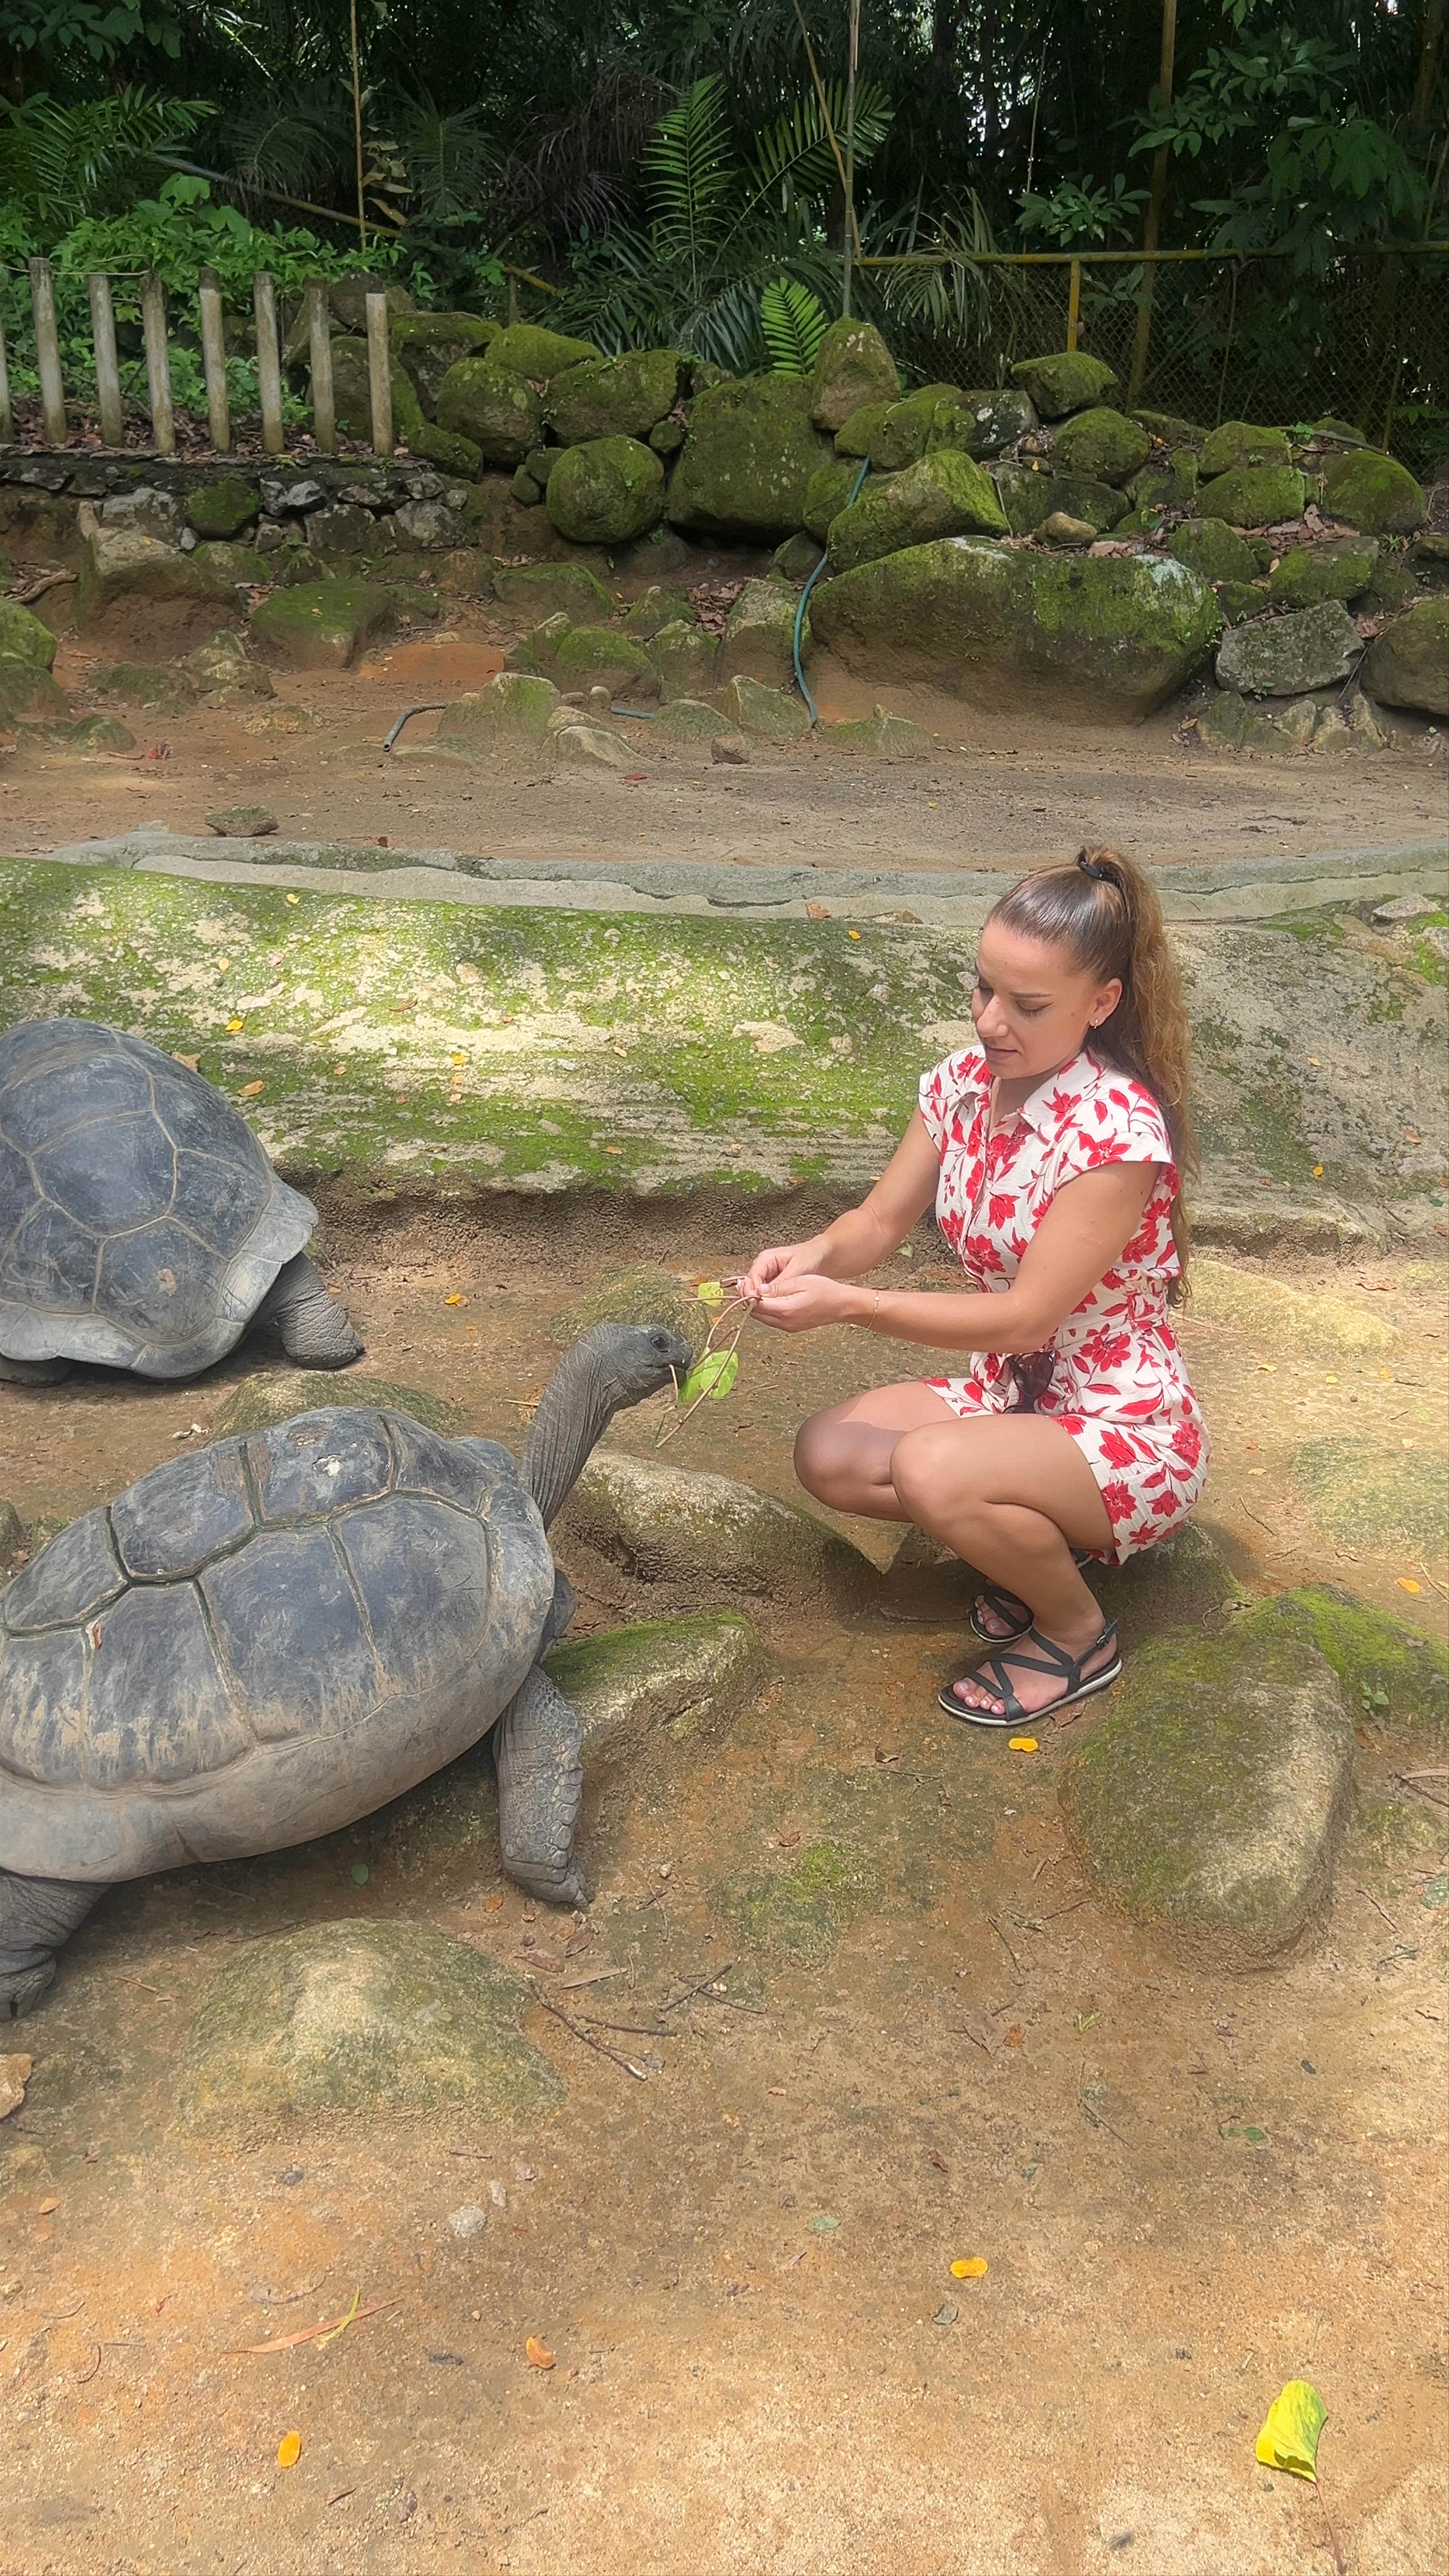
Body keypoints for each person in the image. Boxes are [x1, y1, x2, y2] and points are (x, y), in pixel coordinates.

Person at [740, 847, 1207, 1730]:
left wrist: (853, 1307)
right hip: (1012, 1391)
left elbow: (1030, 1315)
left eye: (1029, 1006)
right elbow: (876, 1224)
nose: (994, 1022)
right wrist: (808, 1257)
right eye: (983, 988)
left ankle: (1077, 1633)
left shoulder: (1116, 1130)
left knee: (927, 1467)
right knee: (828, 1452)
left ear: (1101, 1003)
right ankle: (1030, 1542)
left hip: (1119, 1420)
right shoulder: (961, 1085)